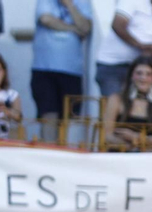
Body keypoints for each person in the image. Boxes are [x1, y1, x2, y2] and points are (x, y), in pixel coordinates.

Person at [30, 0, 92, 139]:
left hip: (72, 70)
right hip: (44, 67)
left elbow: (86, 27)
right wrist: (74, 28)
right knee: (48, 115)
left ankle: (65, 157)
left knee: (69, 119)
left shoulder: (83, 2)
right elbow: (46, 19)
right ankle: (48, 154)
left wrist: (69, 4)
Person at [93, 0, 152, 101]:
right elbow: (118, 24)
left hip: (144, 69)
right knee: (114, 106)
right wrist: (139, 45)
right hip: (112, 65)